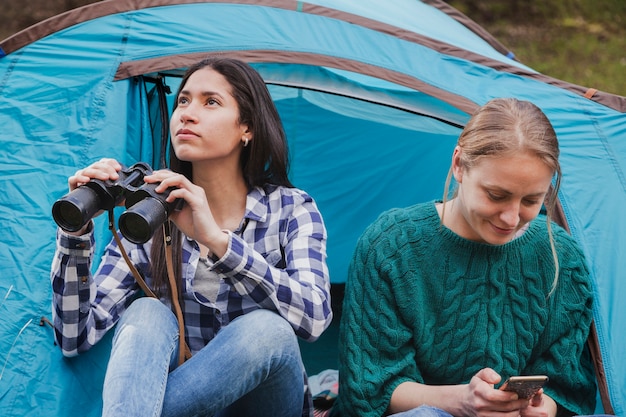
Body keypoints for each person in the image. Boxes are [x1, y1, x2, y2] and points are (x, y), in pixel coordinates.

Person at [50, 56, 332, 417]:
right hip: (190, 405)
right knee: (147, 311)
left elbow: (315, 318)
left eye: (210, 102)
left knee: (266, 329)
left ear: (247, 127)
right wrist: (76, 233)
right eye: (183, 100)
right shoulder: (152, 214)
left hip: (268, 406)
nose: (187, 112)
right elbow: (74, 337)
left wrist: (218, 241)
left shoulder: (291, 209)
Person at [331, 98, 597, 417]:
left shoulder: (561, 259)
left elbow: (569, 387)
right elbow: (370, 389)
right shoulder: (391, 246)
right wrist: (462, 402)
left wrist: (545, 408)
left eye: (531, 200)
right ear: (458, 164)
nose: (511, 218)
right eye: (496, 195)